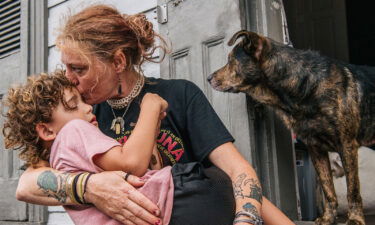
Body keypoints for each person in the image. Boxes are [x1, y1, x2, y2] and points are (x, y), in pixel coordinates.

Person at [12, 4, 293, 225]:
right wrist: (89, 186)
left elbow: (237, 172)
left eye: (79, 69)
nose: (70, 79)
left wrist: (245, 219)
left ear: (118, 61)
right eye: (66, 68)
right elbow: (26, 185)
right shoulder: (81, 116)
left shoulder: (178, 95)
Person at [3, 71, 238, 225]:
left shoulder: (59, 162)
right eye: (75, 105)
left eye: (84, 101)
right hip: (179, 200)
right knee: (219, 179)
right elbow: (132, 164)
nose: (88, 109)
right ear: (45, 131)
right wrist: (150, 106)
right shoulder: (75, 131)